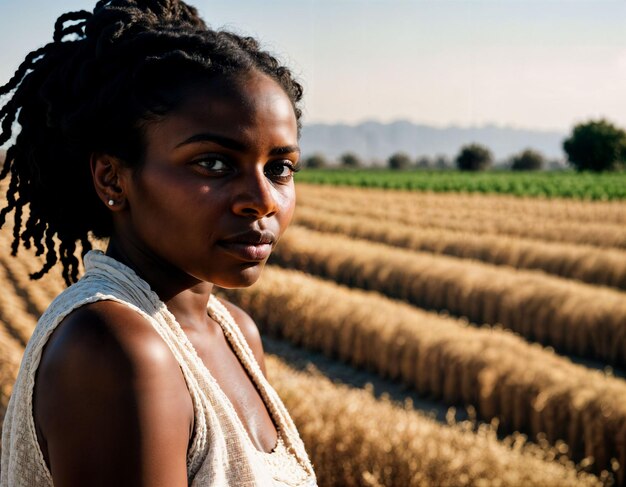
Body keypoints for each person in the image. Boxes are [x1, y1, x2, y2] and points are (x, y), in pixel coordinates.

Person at [0, 1, 317, 485]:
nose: (262, 200)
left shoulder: (234, 330)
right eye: (212, 163)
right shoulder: (115, 349)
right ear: (112, 179)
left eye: (280, 168)